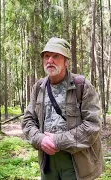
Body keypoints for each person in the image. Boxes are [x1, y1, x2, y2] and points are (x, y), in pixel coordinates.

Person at [22, 37, 105, 180]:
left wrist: (58, 141)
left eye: (56, 56)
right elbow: (28, 121)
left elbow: (93, 125)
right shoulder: (39, 87)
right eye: (47, 56)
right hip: (48, 165)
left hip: (77, 164)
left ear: (66, 62)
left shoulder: (81, 85)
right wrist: (40, 139)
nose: (50, 61)